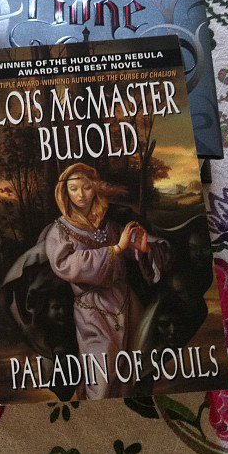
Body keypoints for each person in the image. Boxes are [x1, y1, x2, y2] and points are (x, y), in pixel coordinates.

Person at [44, 163, 170, 399]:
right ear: (64, 192)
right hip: (91, 311)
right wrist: (116, 250)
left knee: (128, 371)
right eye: (74, 188)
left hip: (127, 305)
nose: (81, 195)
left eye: (86, 187)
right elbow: (66, 264)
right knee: (100, 375)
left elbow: (133, 246)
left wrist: (142, 249)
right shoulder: (59, 230)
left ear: (95, 189)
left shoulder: (110, 226)